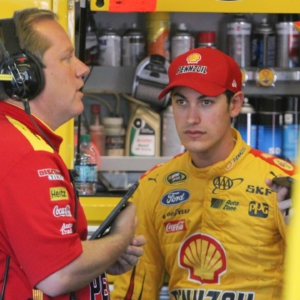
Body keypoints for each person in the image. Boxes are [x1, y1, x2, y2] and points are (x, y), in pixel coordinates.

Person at [111, 47, 296, 300]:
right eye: (181, 101)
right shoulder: (153, 185)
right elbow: (134, 290)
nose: (191, 118)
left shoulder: (282, 182)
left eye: (206, 101)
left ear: (235, 105)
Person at [0, 8, 145, 299]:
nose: (82, 68)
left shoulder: (14, 140)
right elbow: (59, 274)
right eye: (66, 58)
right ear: (24, 77)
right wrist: (120, 238)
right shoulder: (25, 154)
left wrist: (99, 258)